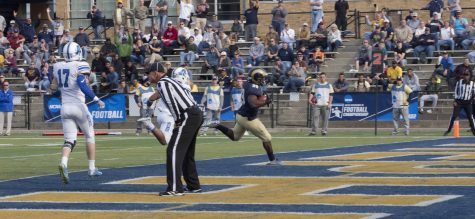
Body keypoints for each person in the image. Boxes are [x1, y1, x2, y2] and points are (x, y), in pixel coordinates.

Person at [141, 62, 203, 196]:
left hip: (187, 115)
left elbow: (171, 102)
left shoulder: (162, 82)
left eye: (149, 74)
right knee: (186, 152)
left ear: (155, 73)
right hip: (195, 114)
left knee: (173, 150)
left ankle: (175, 188)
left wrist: (178, 120)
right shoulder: (169, 81)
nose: (148, 78)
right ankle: (193, 185)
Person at [51, 42, 105, 184]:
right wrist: (96, 98)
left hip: (65, 107)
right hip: (78, 106)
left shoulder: (57, 66)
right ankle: (92, 168)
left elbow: (53, 88)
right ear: (78, 52)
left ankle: (64, 163)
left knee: (69, 139)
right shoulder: (81, 65)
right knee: (90, 136)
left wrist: (63, 92)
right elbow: (82, 84)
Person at [210, 68, 281, 165]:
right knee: (267, 138)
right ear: (256, 78)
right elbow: (253, 104)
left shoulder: (249, 84)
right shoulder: (253, 88)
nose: (264, 80)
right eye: (262, 78)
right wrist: (265, 101)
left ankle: (218, 125)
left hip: (241, 115)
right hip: (248, 118)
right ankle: (272, 160)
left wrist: (263, 98)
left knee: (235, 136)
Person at [444, 72, 475, 136]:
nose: (466, 76)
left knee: (470, 117)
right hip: (459, 101)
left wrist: (471, 100)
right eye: (464, 75)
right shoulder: (459, 82)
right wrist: (455, 100)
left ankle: (473, 130)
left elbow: (474, 93)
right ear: (463, 76)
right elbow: (456, 91)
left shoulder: (473, 84)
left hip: (468, 102)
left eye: (467, 75)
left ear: (469, 76)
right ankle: (448, 130)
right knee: (454, 116)